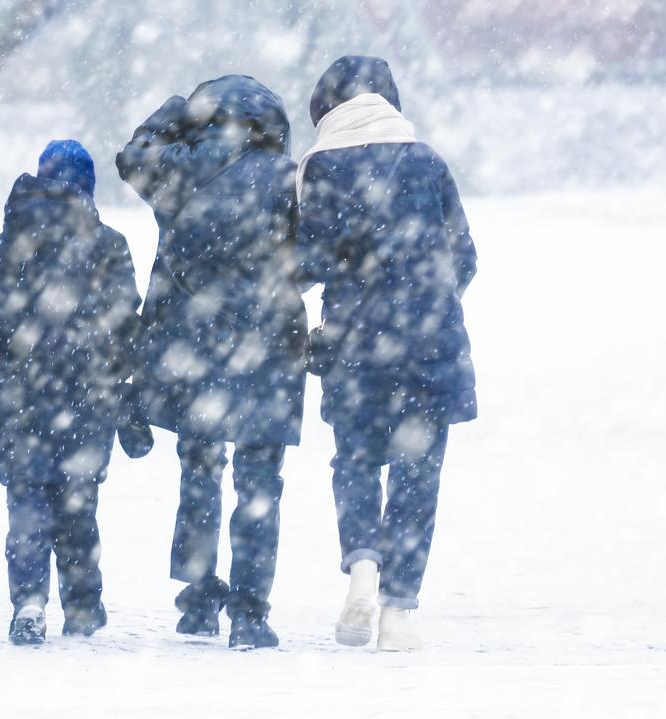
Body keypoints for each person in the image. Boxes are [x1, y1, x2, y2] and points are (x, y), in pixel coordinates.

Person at [116, 75, 307, 649]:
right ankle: (250, 611)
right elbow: (316, 251)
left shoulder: (175, 167)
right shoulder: (286, 176)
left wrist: (177, 107)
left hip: (190, 343)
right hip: (267, 345)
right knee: (259, 481)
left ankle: (198, 595)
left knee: (199, 470)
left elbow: (132, 155)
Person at [296, 55, 477, 651]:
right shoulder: (426, 160)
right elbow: (465, 258)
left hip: (354, 346)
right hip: (428, 344)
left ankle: (364, 570)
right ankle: (398, 614)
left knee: (355, 461)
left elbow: (309, 263)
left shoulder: (318, 167)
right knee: (416, 475)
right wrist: (426, 297)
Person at [0, 140, 142, 646]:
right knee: (79, 505)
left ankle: (29, 601)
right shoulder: (110, 246)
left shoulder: (7, 243)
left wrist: (18, 343)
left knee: (26, 505)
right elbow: (128, 327)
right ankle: (82, 608)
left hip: (19, 400)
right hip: (89, 402)